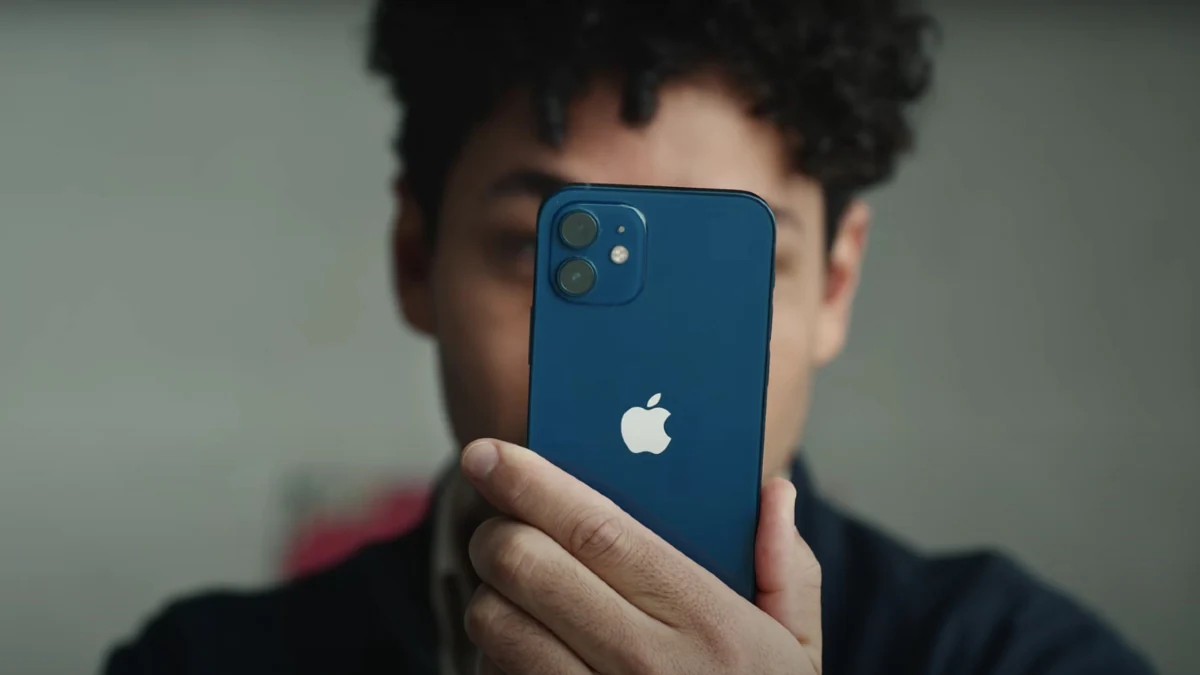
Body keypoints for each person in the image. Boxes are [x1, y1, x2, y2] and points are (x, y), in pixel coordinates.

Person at [103, 1, 1155, 674]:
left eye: (726, 270)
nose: (642, 376)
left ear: (834, 288)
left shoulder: (1015, 655)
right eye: (545, 251)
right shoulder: (203, 661)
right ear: (416, 260)